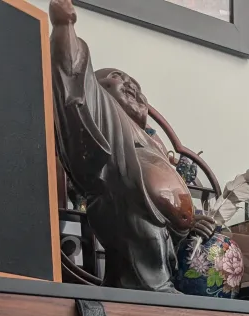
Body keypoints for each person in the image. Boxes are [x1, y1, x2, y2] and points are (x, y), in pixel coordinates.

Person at [49, 0, 213, 291]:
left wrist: (189, 233)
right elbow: (77, 88)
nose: (128, 83)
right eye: (115, 79)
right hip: (140, 287)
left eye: (133, 82)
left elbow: (167, 236)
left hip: (168, 281)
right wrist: (65, 27)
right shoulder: (114, 134)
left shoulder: (153, 145)